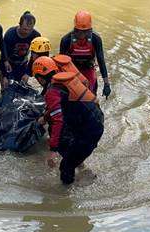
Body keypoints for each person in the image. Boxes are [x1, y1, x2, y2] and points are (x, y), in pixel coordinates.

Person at [32, 57, 104, 185]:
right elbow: (59, 108)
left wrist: (52, 150)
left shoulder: (52, 91)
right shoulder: (65, 80)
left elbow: (58, 120)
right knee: (67, 143)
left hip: (89, 128)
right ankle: (81, 167)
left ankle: (65, 197)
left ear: (40, 78)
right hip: (95, 118)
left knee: (65, 168)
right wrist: (45, 118)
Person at [59, 10, 111, 97]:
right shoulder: (66, 40)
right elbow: (61, 63)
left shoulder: (95, 39)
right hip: (72, 71)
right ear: (75, 29)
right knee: (70, 97)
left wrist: (106, 84)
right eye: (79, 31)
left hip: (88, 70)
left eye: (85, 31)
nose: (82, 34)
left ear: (90, 29)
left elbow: (101, 61)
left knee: (91, 96)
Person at [0, 11, 41, 85]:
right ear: (19, 25)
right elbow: (4, 54)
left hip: (23, 63)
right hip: (9, 63)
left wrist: (28, 73)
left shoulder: (36, 36)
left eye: (30, 30)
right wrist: (5, 75)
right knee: (5, 86)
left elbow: (35, 56)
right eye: (25, 29)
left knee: (20, 86)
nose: (27, 32)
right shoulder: (10, 34)